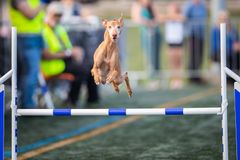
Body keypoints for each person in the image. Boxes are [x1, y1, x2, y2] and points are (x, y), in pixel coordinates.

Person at [41, 2, 98, 106]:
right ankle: (72, 100)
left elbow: (68, 47)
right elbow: (46, 55)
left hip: (62, 61)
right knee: (82, 70)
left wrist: (75, 52)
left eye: (60, 15)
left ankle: (93, 99)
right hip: (52, 66)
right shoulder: (43, 30)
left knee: (91, 66)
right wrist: (69, 53)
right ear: (48, 14)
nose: (57, 18)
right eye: (55, 15)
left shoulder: (59, 29)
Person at [8, 0, 50, 108]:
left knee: (31, 73)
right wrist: (43, 2)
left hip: (35, 36)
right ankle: (28, 105)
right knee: (30, 73)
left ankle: (27, 102)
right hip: (26, 38)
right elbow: (30, 14)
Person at [131, 0, 161, 77]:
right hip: (145, 34)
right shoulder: (137, 5)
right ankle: (151, 77)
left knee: (156, 56)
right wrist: (149, 23)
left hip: (156, 33)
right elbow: (136, 19)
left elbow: (157, 17)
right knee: (149, 57)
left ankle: (157, 76)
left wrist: (153, 22)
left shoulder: (152, 5)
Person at [183, 0, 207, 83]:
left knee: (200, 55)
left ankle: (197, 75)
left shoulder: (202, 4)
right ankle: (192, 76)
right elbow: (184, 17)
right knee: (193, 56)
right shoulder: (188, 4)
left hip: (201, 34)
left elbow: (204, 17)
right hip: (192, 34)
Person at [211, 11, 240, 76]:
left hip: (233, 52)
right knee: (228, 56)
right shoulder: (215, 30)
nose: (224, 21)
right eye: (222, 19)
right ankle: (228, 78)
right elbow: (216, 45)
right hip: (219, 52)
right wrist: (232, 47)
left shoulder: (233, 30)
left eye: (226, 19)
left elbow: (237, 40)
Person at [164, 3, 185, 89]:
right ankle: (173, 80)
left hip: (179, 42)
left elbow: (183, 18)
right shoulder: (167, 17)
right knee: (172, 63)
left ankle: (179, 80)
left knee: (179, 62)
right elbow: (160, 18)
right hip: (171, 42)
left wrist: (174, 16)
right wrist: (171, 16)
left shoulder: (180, 16)